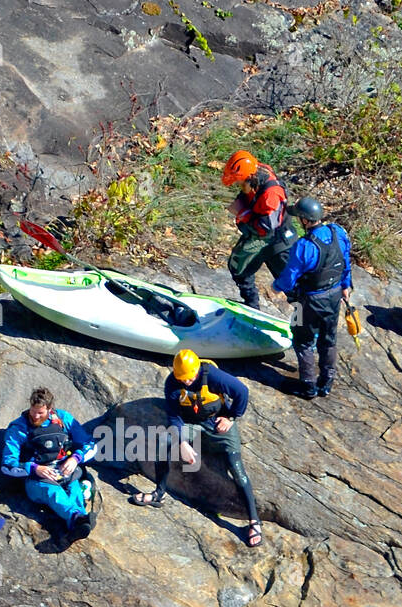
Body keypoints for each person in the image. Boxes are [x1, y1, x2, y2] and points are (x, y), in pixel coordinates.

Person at [128, 349, 262, 548]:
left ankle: (254, 521)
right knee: (164, 444)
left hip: (217, 424)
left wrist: (231, 417)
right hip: (191, 423)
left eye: (189, 379)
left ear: (196, 370)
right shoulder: (173, 383)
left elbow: (242, 392)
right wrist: (182, 443)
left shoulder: (214, 376)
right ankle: (159, 493)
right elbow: (174, 416)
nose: (186, 383)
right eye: (182, 379)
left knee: (236, 468)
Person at [273, 196, 353, 399]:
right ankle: (326, 382)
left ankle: (308, 386)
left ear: (306, 221)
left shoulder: (303, 246)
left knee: (301, 339)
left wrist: (276, 287)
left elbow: (289, 278)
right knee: (328, 339)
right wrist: (345, 286)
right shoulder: (338, 232)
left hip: (307, 302)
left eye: (300, 218)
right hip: (334, 296)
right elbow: (345, 262)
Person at [2, 387, 98, 540]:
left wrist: (75, 459)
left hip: (65, 471)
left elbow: (91, 445)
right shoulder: (18, 428)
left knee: (74, 489)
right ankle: (77, 518)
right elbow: (7, 465)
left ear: (50, 409)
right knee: (54, 493)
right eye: (33, 411)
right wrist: (34, 468)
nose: (35, 416)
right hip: (37, 479)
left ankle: (79, 522)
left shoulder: (63, 418)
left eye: (40, 413)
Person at [222, 150, 297, 311]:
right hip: (258, 237)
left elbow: (267, 228)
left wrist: (243, 214)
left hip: (277, 242)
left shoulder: (271, 194)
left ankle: (306, 325)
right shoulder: (256, 174)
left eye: (241, 183)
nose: (240, 187)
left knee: (291, 286)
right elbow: (249, 197)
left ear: (250, 178)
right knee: (237, 265)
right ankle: (252, 305)